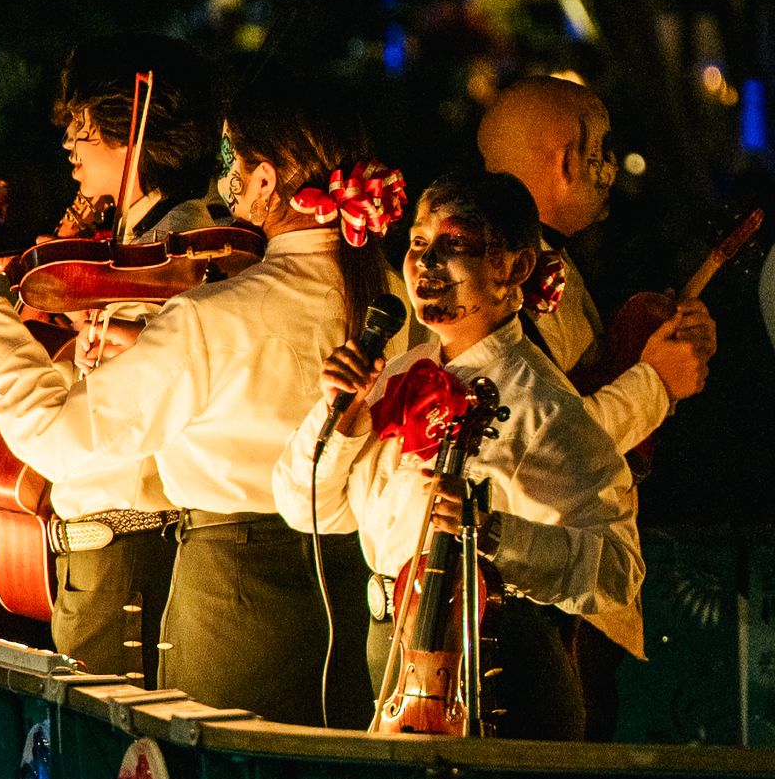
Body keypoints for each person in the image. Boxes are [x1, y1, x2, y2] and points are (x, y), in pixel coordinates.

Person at [0, 78, 391, 727]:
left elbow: (62, 441)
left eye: (233, 164)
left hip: (231, 589)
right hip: (350, 591)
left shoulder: (219, 313)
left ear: (268, 182)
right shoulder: (386, 297)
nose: (225, 184)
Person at [274, 169, 642, 739]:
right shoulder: (395, 373)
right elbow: (306, 510)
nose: (425, 264)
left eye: (457, 246)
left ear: (515, 269)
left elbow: (619, 572)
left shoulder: (542, 405)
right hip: (391, 653)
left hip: (499, 666)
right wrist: (337, 419)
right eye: (419, 243)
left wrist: (496, 535)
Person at [0, 32, 221, 678]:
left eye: (82, 126)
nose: (69, 144)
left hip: (129, 546)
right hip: (100, 553)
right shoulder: (130, 242)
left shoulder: (179, 246)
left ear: (131, 130)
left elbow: (106, 414)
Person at [478, 76, 717, 737]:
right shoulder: (512, 277)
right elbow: (549, 439)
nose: (611, 169)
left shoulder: (544, 263)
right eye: (602, 150)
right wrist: (656, 383)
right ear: (565, 161)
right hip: (539, 577)